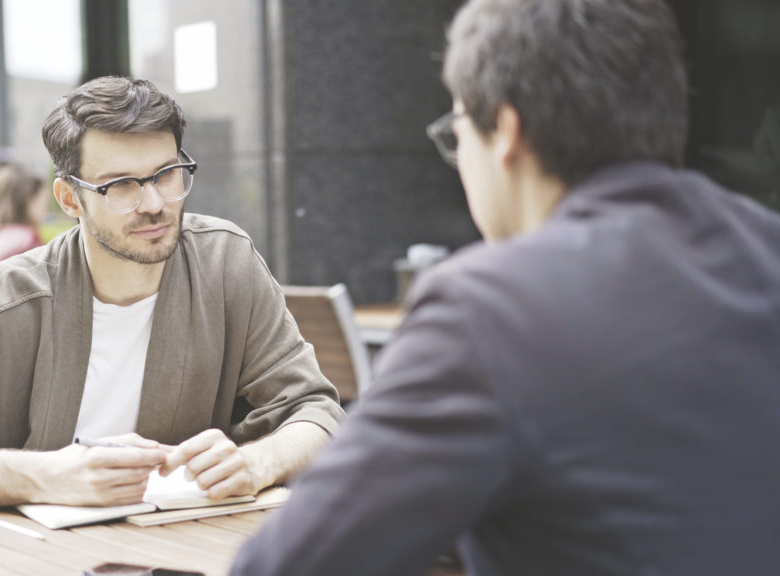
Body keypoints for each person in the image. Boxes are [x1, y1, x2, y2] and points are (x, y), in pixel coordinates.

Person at [231, 1, 780, 575]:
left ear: (506, 131)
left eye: (457, 132)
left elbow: (291, 565)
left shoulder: (488, 308)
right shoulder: (763, 248)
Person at [0, 76, 343, 509]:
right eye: (121, 185)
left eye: (167, 174)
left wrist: (258, 462)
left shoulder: (225, 264)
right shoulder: (7, 298)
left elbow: (318, 414)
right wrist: (45, 477)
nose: (154, 203)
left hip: (187, 553)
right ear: (70, 199)